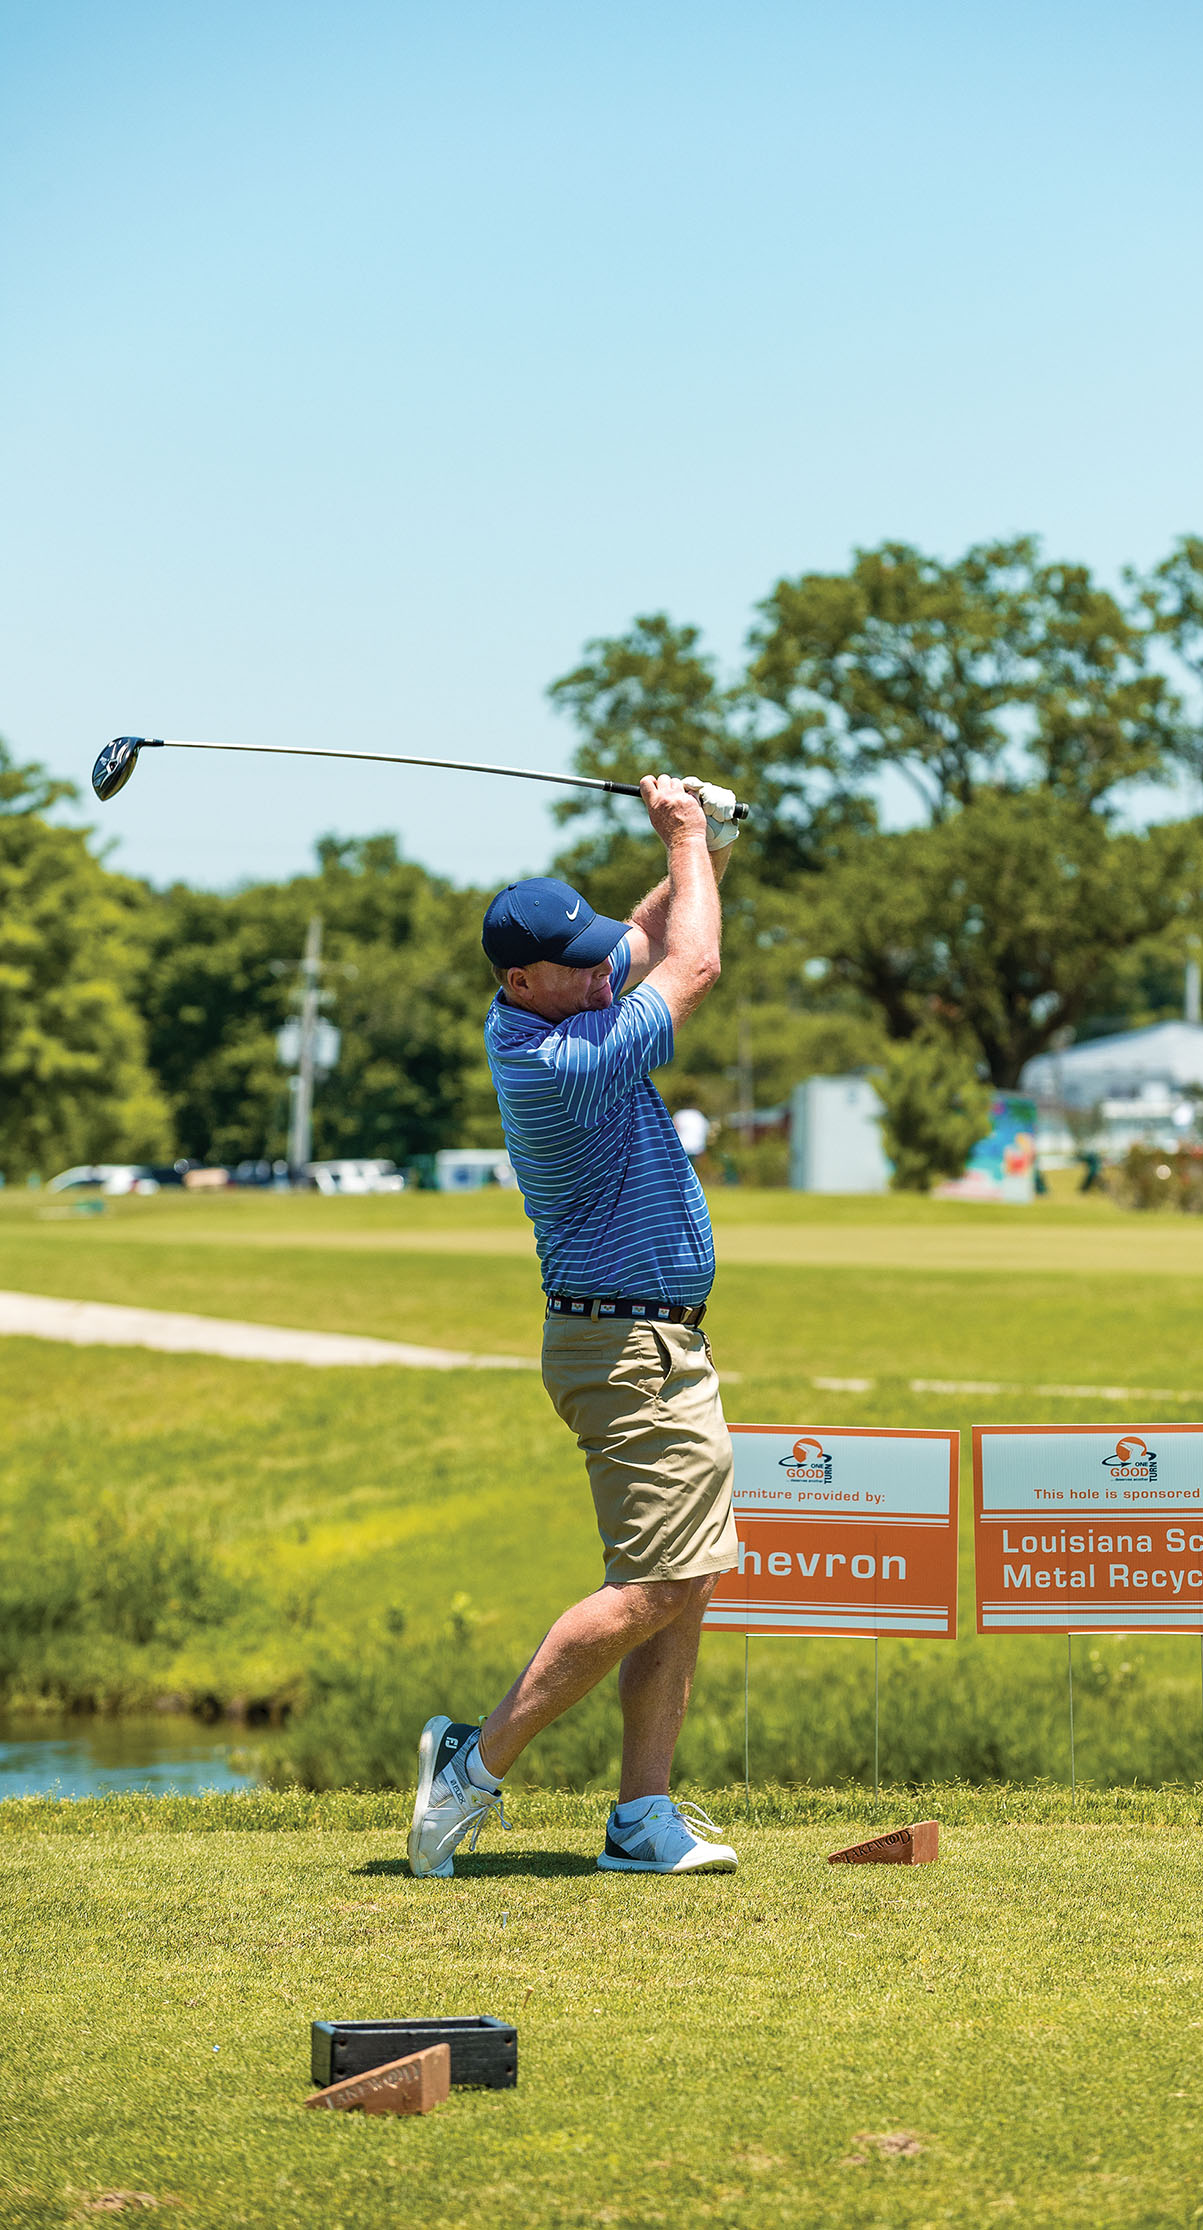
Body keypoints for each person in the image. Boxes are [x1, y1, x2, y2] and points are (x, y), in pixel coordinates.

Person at [407, 772, 744, 1880]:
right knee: (654, 1585)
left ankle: (642, 1818)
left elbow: (650, 934)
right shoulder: (563, 1061)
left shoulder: (566, 1000)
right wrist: (683, 831)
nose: (607, 970)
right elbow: (694, 963)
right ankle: (472, 1766)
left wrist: (707, 849)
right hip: (626, 1350)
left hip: (653, 1341)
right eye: (581, 962)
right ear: (520, 980)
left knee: (684, 1576)